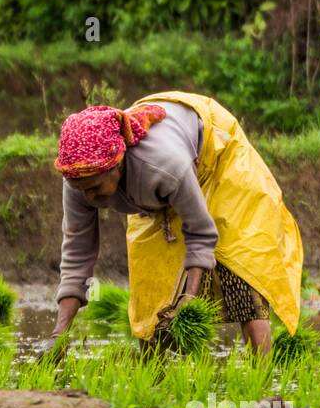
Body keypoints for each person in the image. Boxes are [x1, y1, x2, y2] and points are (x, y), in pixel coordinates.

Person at [48, 92, 304, 356]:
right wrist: (60, 333)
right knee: (149, 288)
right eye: (82, 189)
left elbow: (201, 235)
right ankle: (153, 382)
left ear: (118, 163)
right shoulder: (79, 178)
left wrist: (187, 300)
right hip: (156, 188)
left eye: (95, 188)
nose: (90, 197)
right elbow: (77, 254)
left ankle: (261, 372)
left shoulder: (164, 166)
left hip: (218, 160)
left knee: (241, 266)